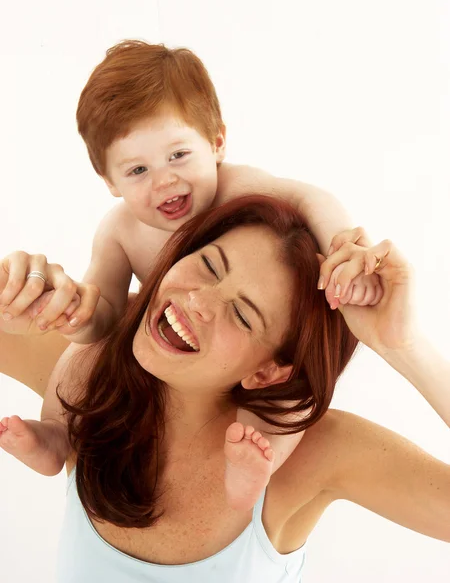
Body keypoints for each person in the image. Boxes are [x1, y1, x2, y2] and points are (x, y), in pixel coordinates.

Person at [0, 40, 382, 510]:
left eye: (178, 155)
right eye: (137, 169)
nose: (164, 181)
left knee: (295, 389)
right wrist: (78, 315)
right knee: (86, 355)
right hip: (168, 346)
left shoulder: (239, 189)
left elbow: (310, 199)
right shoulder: (120, 230)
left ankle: (253, 469)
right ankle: (58, 435)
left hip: (242, 359)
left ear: (217, 142)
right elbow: (105, 315)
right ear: (108, 182)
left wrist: (343, 244)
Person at [0, 196, 448, 583]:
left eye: (242, 315)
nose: (197, 301)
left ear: (268, 372)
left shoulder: (309, 456)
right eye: (210, 265)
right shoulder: (91, 378)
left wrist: (405, 347)